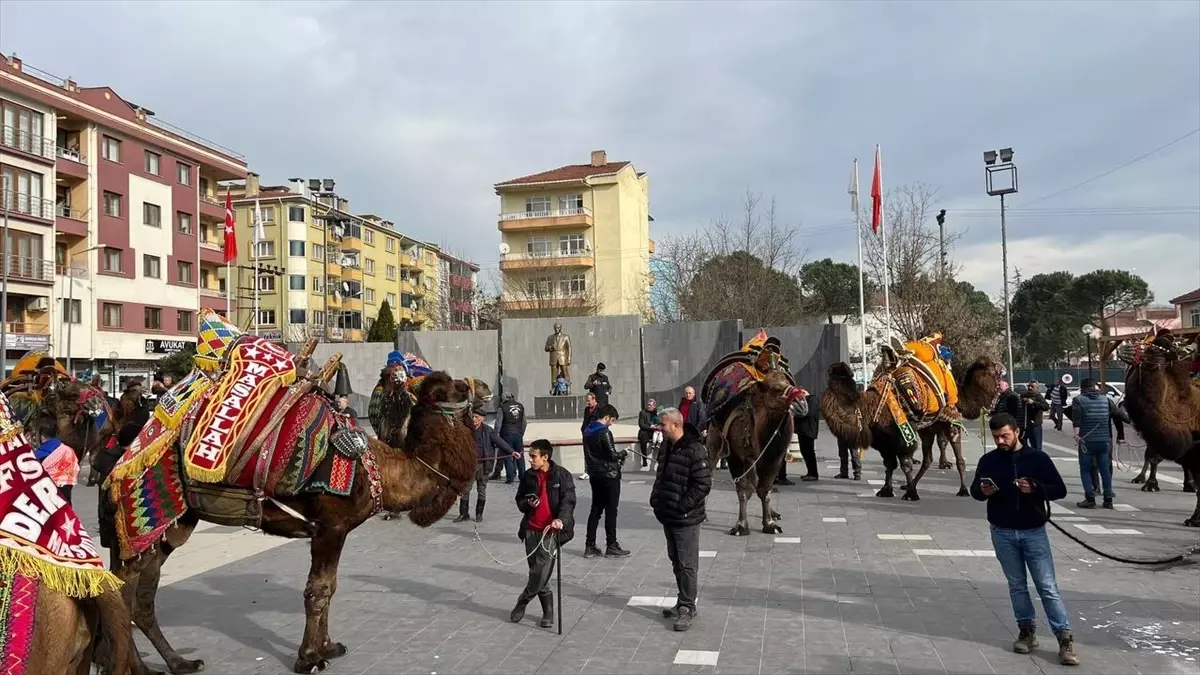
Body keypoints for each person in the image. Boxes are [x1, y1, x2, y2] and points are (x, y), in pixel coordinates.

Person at [970, 412, 1078, 666]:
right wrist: (982, 491)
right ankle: (1026, 631)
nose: (1000, 441)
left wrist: (1036, 488)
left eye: (1005, 435)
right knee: (1017, 585)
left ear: (1017, 432)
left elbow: (1059, 489)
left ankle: (1064, 637)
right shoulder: (989, 460)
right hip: (1002, 531)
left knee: (1047, 586)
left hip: (1033, 531)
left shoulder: (1037, 458)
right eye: (996, 437)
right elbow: (976, 491)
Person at [649, 407, 712, 632]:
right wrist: (656, 500)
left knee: (687, 564)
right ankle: (681, 601)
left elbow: (703, 484)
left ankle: (687, 608)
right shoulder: (667, 446)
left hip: (686, 518)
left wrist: (683, 506)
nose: (659, 427)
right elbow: (661, 475)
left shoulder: (695, 449)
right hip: (668, 515)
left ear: (675, 425)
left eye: (663, 424)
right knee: (676, 561)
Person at [510, 439, 576, 628]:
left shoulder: (562, 476)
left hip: (551, 532)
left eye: (533, 456)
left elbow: (568, 502)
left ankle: (523, 601)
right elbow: (520, 501)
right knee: (536, 572)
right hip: (531, 529)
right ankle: (548, 612)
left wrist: (561, 520)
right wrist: (527, 503)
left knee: (540, 571)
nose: (529, 459)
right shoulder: (528, 476)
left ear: (545, 457)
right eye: (529, 455)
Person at [1069, 379, 1129, 509]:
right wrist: (1125, 429)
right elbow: (1118, 415)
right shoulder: (1106, 400)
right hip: (1104, 441)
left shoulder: (1078, 400)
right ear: (1095, 387)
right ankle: (1108, 500)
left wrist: (1076, 436)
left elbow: (1077, 420)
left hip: (1087, 441)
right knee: (1105, 470)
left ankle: (1090, 499)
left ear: (1082, 388)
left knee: (1085, 470)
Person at [93, 421, 144, 570]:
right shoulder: (120, 463)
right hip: (117, 520)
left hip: (113, 520)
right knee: (120, 567)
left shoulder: (109, 457)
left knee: (118, 564)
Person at [582, 403, 630, 558]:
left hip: (594, 474)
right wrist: (623, 453)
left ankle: (590, 545)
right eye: (612, 420)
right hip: (609, 475)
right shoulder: (605, 432)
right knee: (611, 510)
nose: (612, 423)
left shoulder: (588, 431)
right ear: (607, 417)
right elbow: (611, 455)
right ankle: (612, 544)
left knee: (595, 509)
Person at [455, 407, 517, 523]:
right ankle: (463, 514)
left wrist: (512, 451)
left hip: (484, 465)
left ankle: (479, 514)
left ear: (482, 419)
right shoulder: (466, 430)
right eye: (472, 417)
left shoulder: (488, 431)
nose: (474, 419)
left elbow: (500, 442)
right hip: (470, 465)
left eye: (477, 417)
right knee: (465, 489)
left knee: (481, 490)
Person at [34, 417, 79, 505]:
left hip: (48, 491)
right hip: (67, 486)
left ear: (42, 436)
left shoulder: (38, 455)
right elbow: (75, 467)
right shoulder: (68, 450)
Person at [789, 391, 820, 483]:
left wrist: (797, 413)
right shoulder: (808, 400)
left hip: (809, 430)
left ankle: (813, 474)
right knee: (805, 452)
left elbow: (807, 413)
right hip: (803, 431)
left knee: (809, 452)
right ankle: (810, 472)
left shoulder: (812, 400)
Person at [498, 393, 528, 484]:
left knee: (508, 456)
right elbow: (524, 422)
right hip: (518, 434)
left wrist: (496, 436)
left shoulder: (502, 407)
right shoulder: (520, 406)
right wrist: (521, 433)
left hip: (506, 435)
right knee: (520, 455)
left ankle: (510, 477)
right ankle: (522, 476)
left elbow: (498, 424)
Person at [1019, 382, 1050, 452]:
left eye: (1032, 386)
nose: (1030, 388)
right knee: (1021, 446)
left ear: (1037, 388)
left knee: (1036, 447)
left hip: (1034, 426)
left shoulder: (1038, 396)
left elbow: (1046, 407)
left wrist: (1033, 403)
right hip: (1023, 425)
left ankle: (1037, 461)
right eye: (1029, 386)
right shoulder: (1024, 395)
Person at [637, 398, 662, 469]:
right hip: (646, 430)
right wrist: (651, 427)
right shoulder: (642, 412)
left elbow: (661, 421)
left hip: (656, 430)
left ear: (654, 406)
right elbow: (641, 425)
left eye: (650, 405)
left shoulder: (657, 412)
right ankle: (644, 459)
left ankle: (660, 457)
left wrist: (658, 427)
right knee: (643, 436)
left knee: (663, 437)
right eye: (648, 405)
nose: (648, 406)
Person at [579, 392, 599, 479]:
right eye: (586, 401)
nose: (588, 403)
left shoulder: (600, 409)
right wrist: (583, 430)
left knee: (595, 453)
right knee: (587, 453)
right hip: (586, 435)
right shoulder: (587, 409)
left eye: (589, 400)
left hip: (595, 435)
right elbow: (585, 421)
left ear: (594, 399)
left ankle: (596, 471)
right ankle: (587, 471)